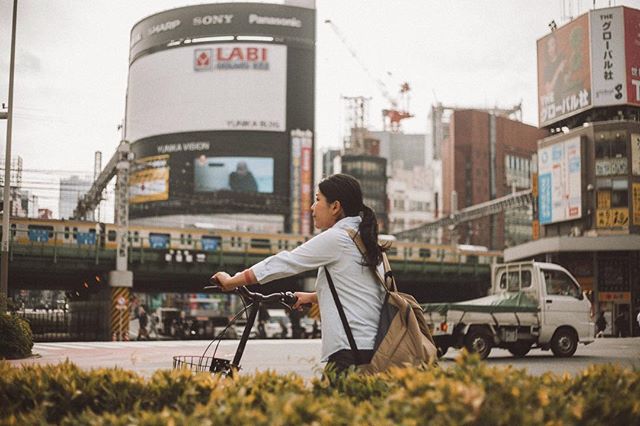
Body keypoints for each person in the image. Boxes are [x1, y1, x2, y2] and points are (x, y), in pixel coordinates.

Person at [211, 173, 386, 374]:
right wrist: (312, 297)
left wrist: (232, 281)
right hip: (372, 347)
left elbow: (285, 262)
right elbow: (361, 291)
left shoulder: (338, 238)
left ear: (335, 207)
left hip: (350, 350)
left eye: (318, 200)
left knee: (326, 404)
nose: (312, 207)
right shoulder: (366, 240)